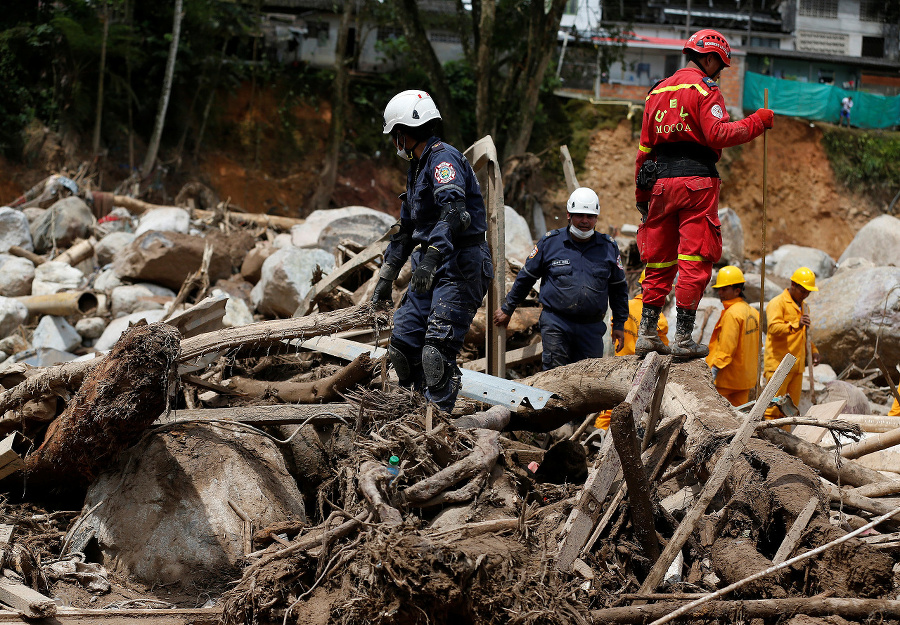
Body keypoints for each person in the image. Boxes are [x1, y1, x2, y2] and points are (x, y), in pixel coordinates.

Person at [633, 29, 774, 360]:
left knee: (659, 258)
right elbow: (718, 134)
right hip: (696, 183)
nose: (720, 73)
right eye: (720, 66)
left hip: (659, 185)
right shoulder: (705, 90)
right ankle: (683, 338)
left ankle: (647, 333)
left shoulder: (655, 92)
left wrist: (642, 194)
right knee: (695, 257)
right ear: (709, 58)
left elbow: (643, 150)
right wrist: (757, 122)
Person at [371, 90, 493, 413]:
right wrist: (386, 276)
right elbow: (407, 230)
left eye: (395, 136)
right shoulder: (417, 169)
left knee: (436, 352)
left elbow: (455, 213)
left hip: (461, 264)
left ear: (403, 133)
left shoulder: (443, 160)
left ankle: (433, 423)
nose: (394, 144)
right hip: (432, 262)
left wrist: (432, 258)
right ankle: (413, 409)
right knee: (402, 345)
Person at [493, 187, 628, 370]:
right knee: (555, 374)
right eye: (579, 215)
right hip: (557, 324)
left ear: (596, 218)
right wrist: (508, 308)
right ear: (568, 215)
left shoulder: (608, 248)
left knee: (588, 379)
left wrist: (619, 324)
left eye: (590, 216)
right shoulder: (550, 243)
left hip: (591, 328)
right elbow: (526, 277)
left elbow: (618, 288)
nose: (585, 221)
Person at [763, 267, 820, 420]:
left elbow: (805, 333)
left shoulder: (804, 306)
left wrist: (813, 350)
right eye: (803, 291)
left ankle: (784, 442)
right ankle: (766, 441)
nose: (805, 295)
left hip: (797, 367)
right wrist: (796, 324)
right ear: (793, 285)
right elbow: (773, 328)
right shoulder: (778, 303)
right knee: (772, 408)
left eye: (808, 292)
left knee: (789, 411)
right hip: (778, 365)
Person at [706, 266, 760, 407]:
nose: (720, 293)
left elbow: (727, 347)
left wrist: (715, 369)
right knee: (737, 419)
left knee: (718, 417)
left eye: (724, 289)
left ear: (737, 290)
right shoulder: (753, 312)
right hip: (745, 380)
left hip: (727, 379)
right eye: (719, 289)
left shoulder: (732, 314)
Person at [617, 269, 669, 356]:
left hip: (620, 360)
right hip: (643, 363)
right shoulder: (659, 317)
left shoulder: (624, 307)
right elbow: (663, 350)